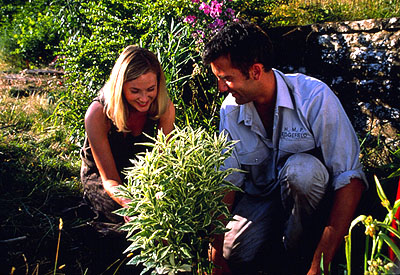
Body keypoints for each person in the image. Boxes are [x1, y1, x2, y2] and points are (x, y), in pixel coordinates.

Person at [202, 20, 367, 275]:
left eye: (227, 79)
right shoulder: (230, 110)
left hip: (311, 203)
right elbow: (227, 182)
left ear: (255, 71)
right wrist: (215, 257)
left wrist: (319, 266)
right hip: (262, 199)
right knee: (231, 252)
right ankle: (274, 248)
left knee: (301, 171)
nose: (221, 88)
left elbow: (350, 179)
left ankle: (298, 256)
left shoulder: (314, 97)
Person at [80, 45, 175, 234]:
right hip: (104, 178)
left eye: (150, 89)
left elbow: (163, 164)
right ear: (120, 87)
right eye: (135, 91)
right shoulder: (98, 114)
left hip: (143, 177)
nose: (144, 98)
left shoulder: (164, 108)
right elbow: (110, 180)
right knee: (127, 226)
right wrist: (131, 204)